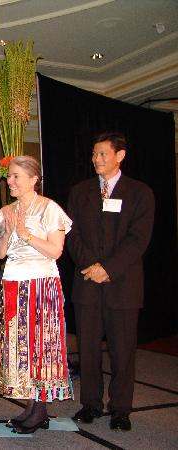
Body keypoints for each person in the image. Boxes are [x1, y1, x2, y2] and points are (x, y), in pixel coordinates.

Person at [67, 132, 154, 432]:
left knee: (122, 350)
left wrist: (108, 268)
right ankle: (90, 404)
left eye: (102, 154)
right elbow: (72, 234)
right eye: (93, 154)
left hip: (123, 285)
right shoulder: (80, 192)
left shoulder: (140, 193)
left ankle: (120, 409)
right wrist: (90, 265)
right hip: (87, 283)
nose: (96, 159)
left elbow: (138, 239)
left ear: (120, 156)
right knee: (88, 349)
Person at [0, 155, 73, 434]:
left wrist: (25, 235)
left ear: (33, 179)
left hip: (41, 283)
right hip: (12, 282)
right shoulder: (6, 211)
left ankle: (39, 409)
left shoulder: (49, 208)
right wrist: (9, 232)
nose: (10, 181)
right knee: (18, 345)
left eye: (16, 176)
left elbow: (56, 251)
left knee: (41, 345)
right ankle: (32, 405)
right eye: (9, 176)